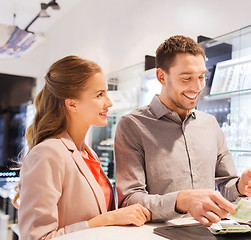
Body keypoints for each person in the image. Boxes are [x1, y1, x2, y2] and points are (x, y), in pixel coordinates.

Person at [114, 35, 251, 226]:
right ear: (161, 77)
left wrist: (241, 185)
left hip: (210, 232)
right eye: (186, 78)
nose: (197, 87)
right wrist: (181, 200)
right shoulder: (132, 125)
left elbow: (226, 184)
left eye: (201, 77)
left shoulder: (210, 124)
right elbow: (129, 200)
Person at [16, 55, 151, 240]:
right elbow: (37, 237)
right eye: (99, 94)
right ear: (72, 103)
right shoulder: (48, 153)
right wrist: (108, 219)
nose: (109, 103)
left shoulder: (87, 153)